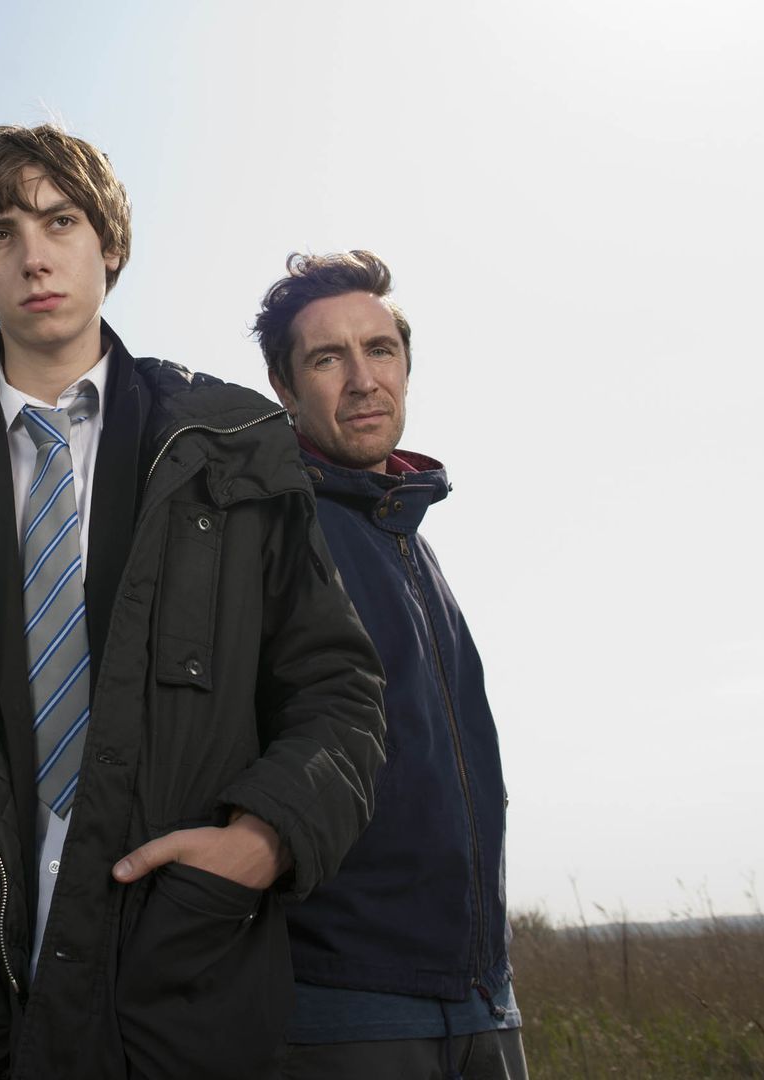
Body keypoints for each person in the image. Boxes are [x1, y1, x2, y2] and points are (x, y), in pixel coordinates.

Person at [0, 124, 386, 1080]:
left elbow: (338, 693)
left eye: (60, 222)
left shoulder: (234, 442)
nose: (33, 257)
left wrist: (263, 841)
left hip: (182, 995)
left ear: (107, 242)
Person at [253, 251, 527, 1079]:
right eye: (327, 358)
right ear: (284, 388)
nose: (363, 379)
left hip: (483, 996)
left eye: (380, 350)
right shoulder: (270, 530)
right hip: (346, 1005)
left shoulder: (411, 538)